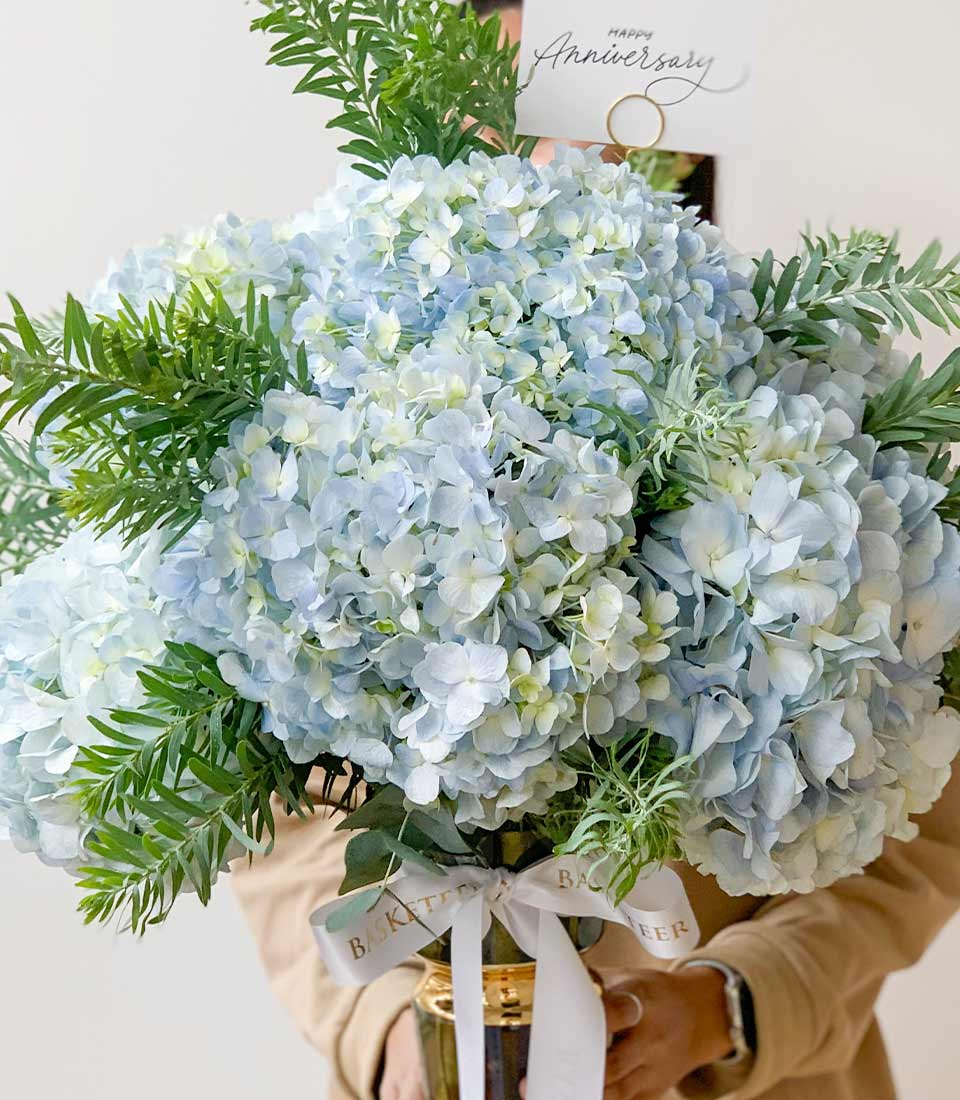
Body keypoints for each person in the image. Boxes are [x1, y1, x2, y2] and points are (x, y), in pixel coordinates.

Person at [232, 4, 960, 1099]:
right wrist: (384, 1029)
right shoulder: (324, 408)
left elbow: (917, 830)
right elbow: (262, 798)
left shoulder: (817, 418)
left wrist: (732, 1000)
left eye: (588, 109)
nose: (554, 152)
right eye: (511, 111)